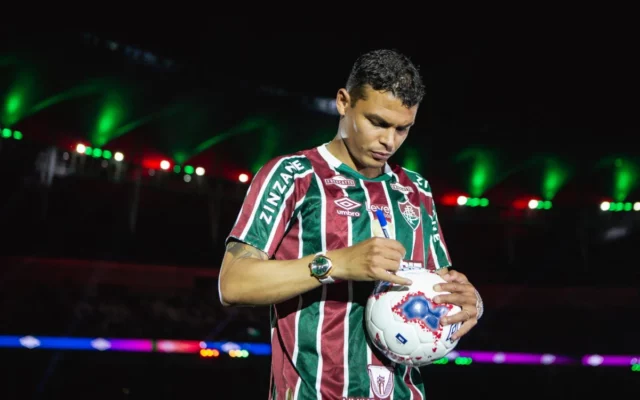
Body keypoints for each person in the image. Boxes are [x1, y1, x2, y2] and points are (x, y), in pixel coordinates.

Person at [219, 49, 484, 400]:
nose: (389, 141)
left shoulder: (415, 190)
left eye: (402, 129)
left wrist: (470, 303)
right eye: (377, 122)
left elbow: (438, 289)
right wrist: (337, 264)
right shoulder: (293, 175)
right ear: (344, 102)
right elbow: (233, 284)